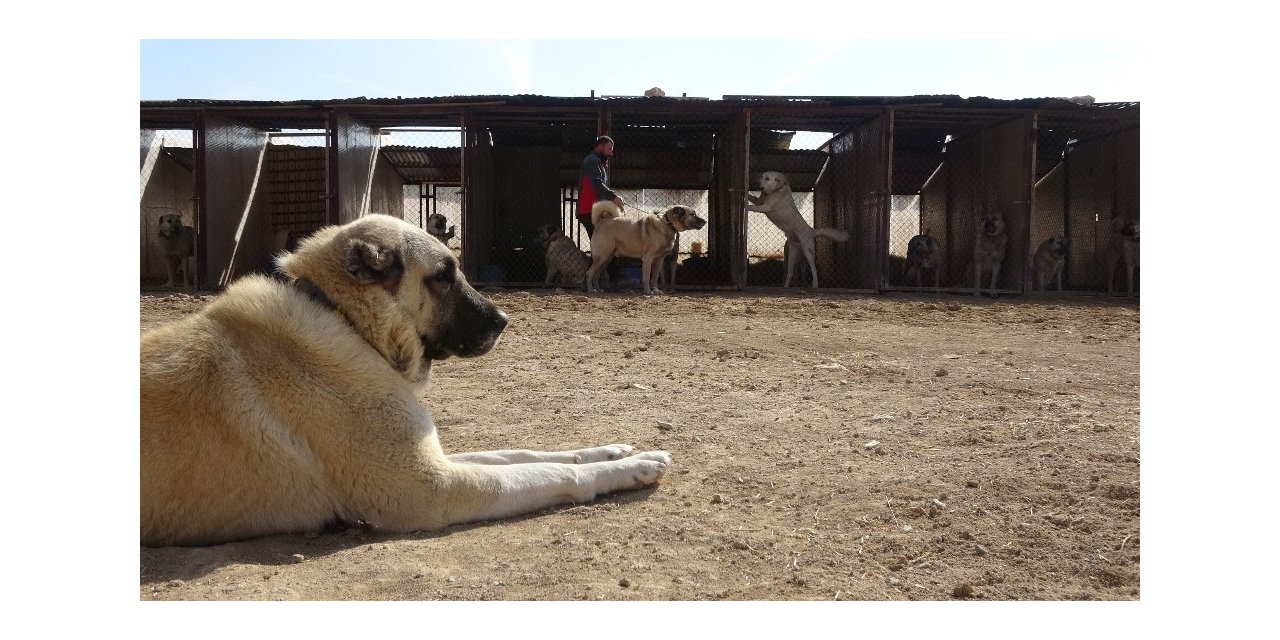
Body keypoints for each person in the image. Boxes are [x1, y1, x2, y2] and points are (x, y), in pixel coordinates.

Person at [577, 136, 626, 238]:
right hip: (589, 210)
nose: (611, 153)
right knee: (602, 245)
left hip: (593, 210)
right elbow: (597, 183)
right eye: (609, 149)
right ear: (600, 147)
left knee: (601, 244)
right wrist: (614, 198)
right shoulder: (592, 161)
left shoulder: (598, 162)